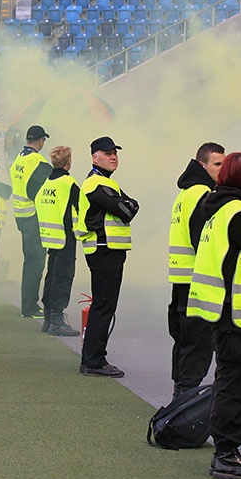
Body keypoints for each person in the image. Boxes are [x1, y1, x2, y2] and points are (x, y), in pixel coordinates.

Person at [186, 152, 241, 479]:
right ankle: (228, 454)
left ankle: (227, 451)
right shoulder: (237, 211)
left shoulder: (212, 207)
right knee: (234, 383)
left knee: (226, 379)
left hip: (216, 307)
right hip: (234, 310)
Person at [76, 136, 139, 377]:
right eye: (108, 153)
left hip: (107, 249)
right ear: (95, 157)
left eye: (115, 153)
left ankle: (93, 358)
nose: (114, 157)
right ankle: (93, 360)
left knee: (103, 305)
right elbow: (127, 209)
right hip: (104, 249)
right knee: (103, 305)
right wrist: (127, 204)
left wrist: (128, 204)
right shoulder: (96, 183)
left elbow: (130, 206)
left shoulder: (105, 183)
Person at [168, 142, 226, 398]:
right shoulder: (202, 194)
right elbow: (202, 239)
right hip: (197, 280)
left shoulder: (185, 193)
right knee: (198, 342)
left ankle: (180, 395)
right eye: (217, 164)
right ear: (202, 165)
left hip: (182, 277)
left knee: (184, 340)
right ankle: (186, 402)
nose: (222, 170)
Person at [35, 145, 80, 337]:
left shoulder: (46, 184)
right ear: (68, 162)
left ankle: (48, 318)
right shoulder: (68, 183)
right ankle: (57, 320)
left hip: (49, 238)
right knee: (63, 278)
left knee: (52, 276)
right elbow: (82, 208)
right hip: (65, 237)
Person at [11, 125, 52, 319]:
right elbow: (42, 191)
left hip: (21, 216)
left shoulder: (19, 158)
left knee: (30, 263)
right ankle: (30, 307)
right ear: (41, 140)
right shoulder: (38, 162)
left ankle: (28, 305)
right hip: (33, 219)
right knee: (35, 265)